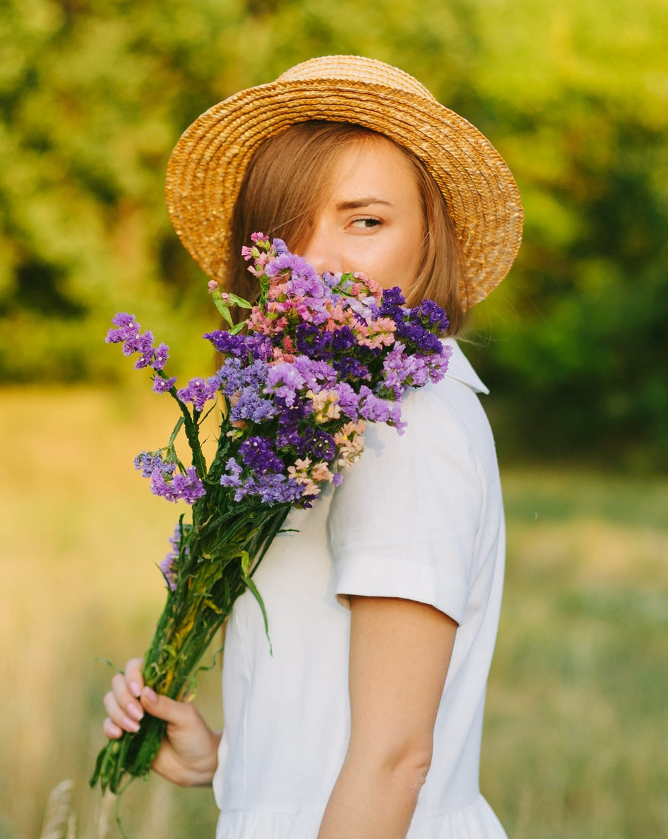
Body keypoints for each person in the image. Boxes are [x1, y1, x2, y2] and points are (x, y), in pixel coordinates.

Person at [101, 55, 523, 839]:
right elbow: (344, 717)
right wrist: (225, 758)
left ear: (432, 235)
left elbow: (396, 760)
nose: (319, 260)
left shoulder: (407, 427)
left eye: (365, 221)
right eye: (288, 229)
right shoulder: (327, 421)